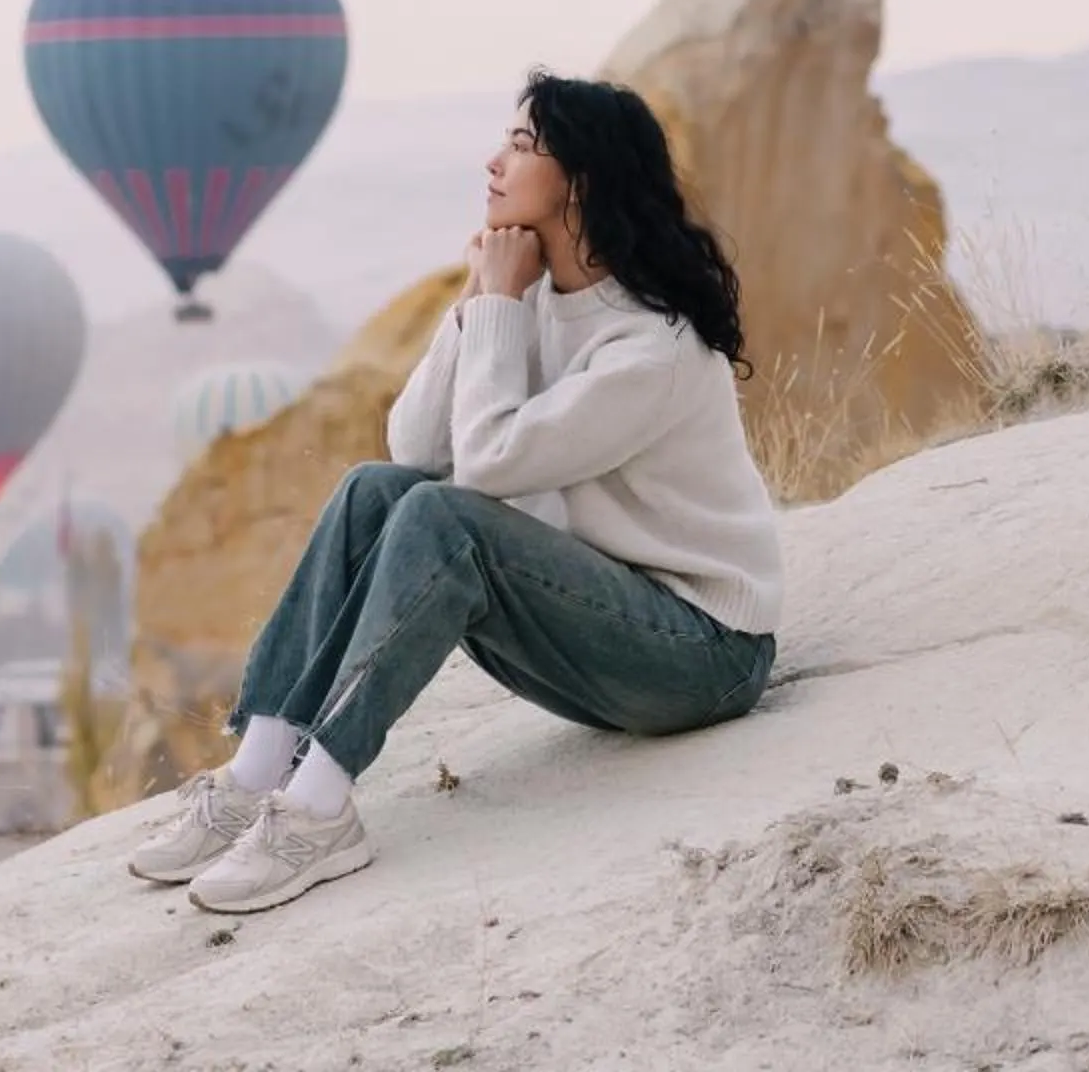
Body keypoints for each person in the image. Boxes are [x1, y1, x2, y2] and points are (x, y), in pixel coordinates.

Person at [130, 72, 785, 914]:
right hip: (598, 626)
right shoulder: (537, 300)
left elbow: (481, 470)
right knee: (375, 489)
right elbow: (414, 444)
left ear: (581, 180)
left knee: (445, 517)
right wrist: (482, 299)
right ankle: (259, 771)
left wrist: (502, 299)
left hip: (703, 656)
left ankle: (321, 809)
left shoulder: (651, 348)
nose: (494, 161)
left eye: (521, 145)